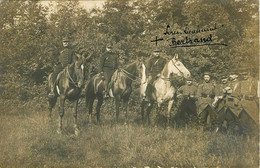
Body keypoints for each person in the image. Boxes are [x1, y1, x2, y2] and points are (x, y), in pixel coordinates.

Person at [237, 69, 258, 135]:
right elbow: (237, 92)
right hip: (243, 103)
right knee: (243, 120)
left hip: (252, 103)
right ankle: (246, 135)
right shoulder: (240, 82)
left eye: (245, 74)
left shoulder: (254, 81)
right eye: (243, 75)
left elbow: (258, 93)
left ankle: (254, 136)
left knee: (253, 120)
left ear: (249, 73)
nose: (244, 76)